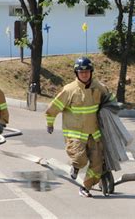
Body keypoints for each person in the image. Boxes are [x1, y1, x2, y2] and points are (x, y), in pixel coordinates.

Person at [45, 56, 114, 197]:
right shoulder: (69, 90)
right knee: (80, 159)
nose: (84, 74)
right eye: (81, 72)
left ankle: (85, 187)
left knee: (97, 164)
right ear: (76, 73)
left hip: (94, 134)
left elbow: (110, 102)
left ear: (91, 72)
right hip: (75, 134)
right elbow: (54, 107)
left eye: (87, 72)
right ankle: (76, 166)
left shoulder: (99, 87)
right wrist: (50, 123)